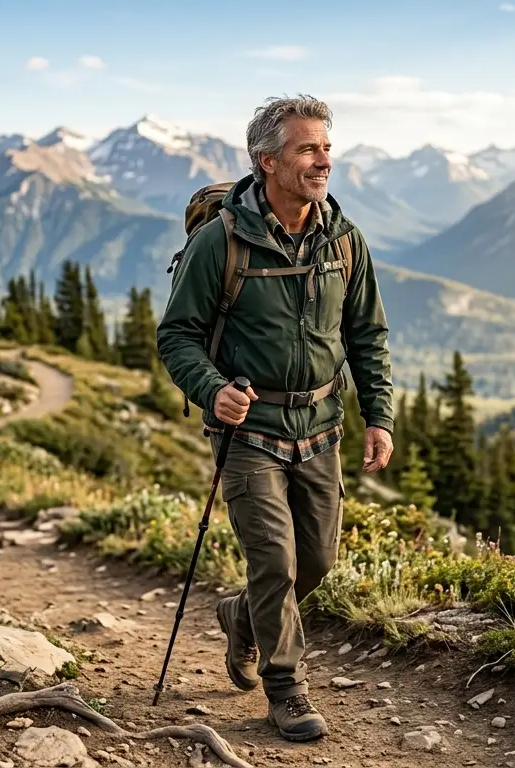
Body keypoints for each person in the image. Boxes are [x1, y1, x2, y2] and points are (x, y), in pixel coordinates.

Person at [156, 94, 395, 742]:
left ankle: (240, 616)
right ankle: (286, 690)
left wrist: (380, 417)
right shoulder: (221, 244)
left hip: (321, 431)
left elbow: (367, 335)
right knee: (276, 564)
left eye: (325, 147)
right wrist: (211, 390)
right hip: (250, 434)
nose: (324, 160)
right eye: (307, 149)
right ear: (267, 161)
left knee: (315, 561)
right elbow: (177, 335)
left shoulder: (345, 242)